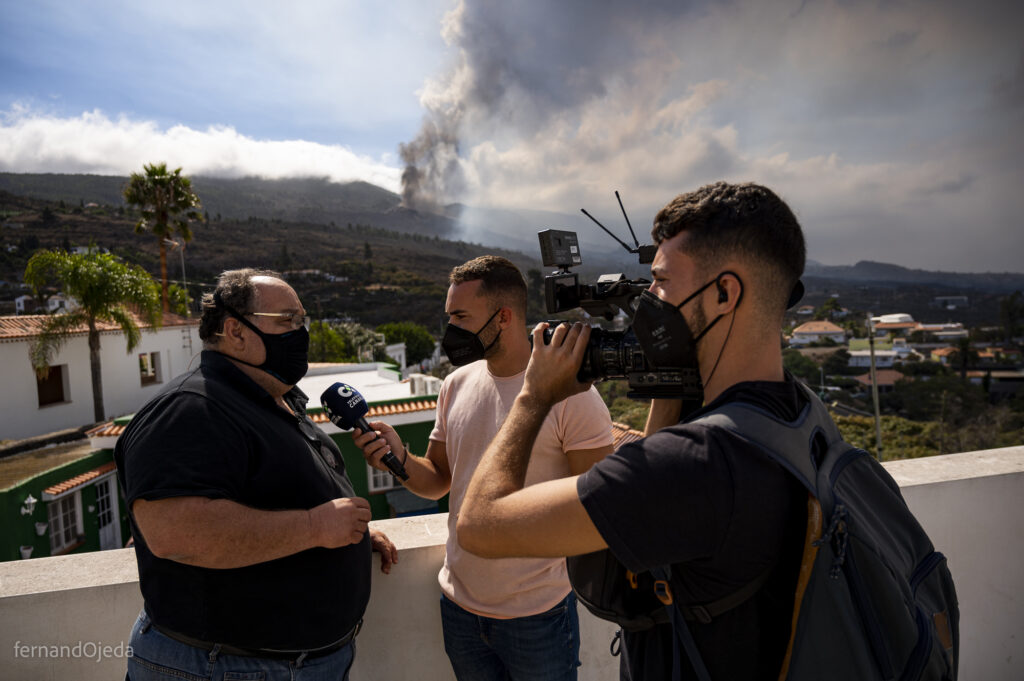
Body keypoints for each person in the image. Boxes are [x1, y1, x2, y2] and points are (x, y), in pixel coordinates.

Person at [457, 182, 811, 680]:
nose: (650, 299)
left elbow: (479, 525)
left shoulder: (693, 466)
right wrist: (673, 372)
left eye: (662, 283)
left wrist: (534, 395)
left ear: (725, 293)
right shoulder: (796, 416)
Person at [115, 268, 397, 681]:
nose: (300, 332)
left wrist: (347, 538)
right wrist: (315, 527)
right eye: (287, 321)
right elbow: (175, 532)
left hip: (290, 664)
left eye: (302, 320)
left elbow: (270, 491)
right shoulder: (191, 408)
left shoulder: (274, 400)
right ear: (236, 331)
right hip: (226, 666)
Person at [352, 255, 614, 680]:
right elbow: (438, 482)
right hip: (459, 608)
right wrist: (398, 458)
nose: (450, 329)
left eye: (460, 316)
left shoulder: (573, 393)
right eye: (449, 315)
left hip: (538, 615)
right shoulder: (456, 385)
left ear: (503, 317)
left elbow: (598, 505)